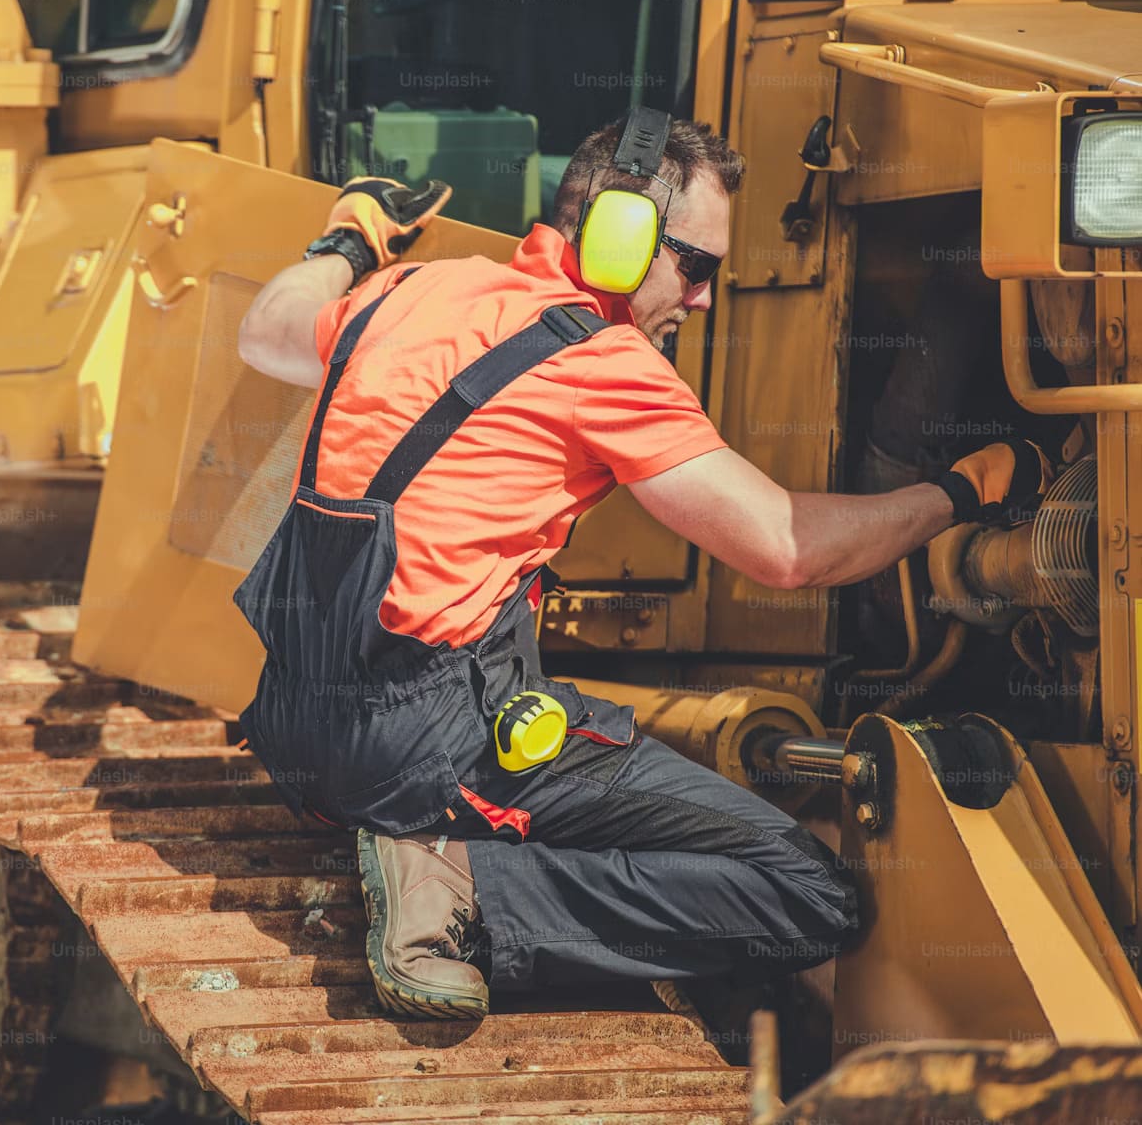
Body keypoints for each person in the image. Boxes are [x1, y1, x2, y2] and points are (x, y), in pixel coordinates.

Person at [231, 110, 1052, 1020]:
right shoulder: (603, 362)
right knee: (807, 893)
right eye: (694, 266)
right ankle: (458, 890)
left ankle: (431, 845)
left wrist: (352, 236)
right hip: (420, 751)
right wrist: (967, 491)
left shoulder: (416, 289)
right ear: (621, 238)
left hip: (294, 727)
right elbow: (789, 548)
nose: (701, 300)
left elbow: (266, 329)